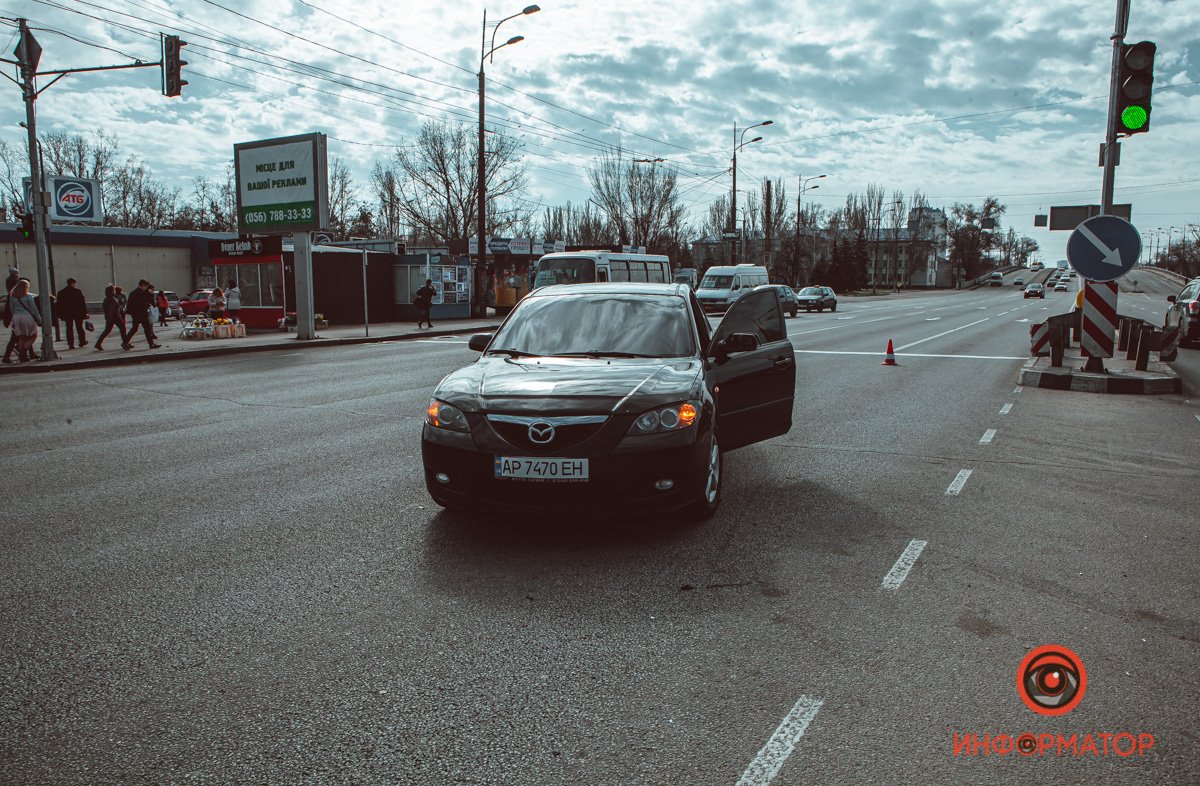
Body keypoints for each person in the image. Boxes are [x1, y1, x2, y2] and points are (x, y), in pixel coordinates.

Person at [7, 278, 42, 362]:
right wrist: (39, 319)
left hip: (17, 317)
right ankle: (24, 351)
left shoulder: (12, 296)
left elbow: (12, 308)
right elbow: (33, 309)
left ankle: (22, 356)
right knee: (33, 335)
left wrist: (14, 318)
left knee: (22, 337)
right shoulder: (28, 295)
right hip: (27, 317)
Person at [125, 279, 161, 349]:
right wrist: (148, 305)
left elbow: (131, 304)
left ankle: (125, 342)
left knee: (134, 329)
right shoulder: (140, 293)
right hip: (141, 313)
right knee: (147, 329)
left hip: (135, 313)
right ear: (143, 285)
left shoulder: (133, 292)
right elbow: (140, 303)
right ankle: (151, 344)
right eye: (146, 286)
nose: (146, 288)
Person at [94, 284, 130, 351]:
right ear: (112, 291)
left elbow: (106, 309)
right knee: (122, 328)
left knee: (107, 330)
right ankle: (125, 343)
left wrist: (108, 318)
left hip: (110, 317)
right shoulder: (112, 299)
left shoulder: (106, 299)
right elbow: (112, 310)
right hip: (115, 316)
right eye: (114, 290)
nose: (115, 291)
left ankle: (98, 343)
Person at [57, 278, 89, 349]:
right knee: (79, 327)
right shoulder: (77, 291)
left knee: (69, 328)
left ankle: (71, 344)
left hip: (67, 313)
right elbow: (82, 303)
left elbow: (59, 304)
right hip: (78, 312)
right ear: (73, 283)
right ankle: (82, 341)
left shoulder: (61, 292)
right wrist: (85, 312)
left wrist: (60, 314)